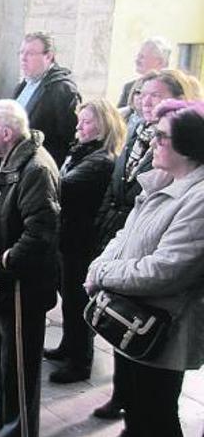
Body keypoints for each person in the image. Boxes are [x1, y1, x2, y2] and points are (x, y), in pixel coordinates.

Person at [85, 100, 204, 437]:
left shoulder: (198, 197)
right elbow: (125, 233)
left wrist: (103, 275)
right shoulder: (162, 179)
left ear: (188, 146)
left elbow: (167, 270)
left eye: (162, 138)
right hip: (136, 315)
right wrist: (100, 264)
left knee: (156, 417)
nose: (152, 142)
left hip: (165, 329)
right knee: (138, 412)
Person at [0, 100, 60, 437]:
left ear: (6, 133)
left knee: (19, 363)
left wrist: (4, 262)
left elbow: (40, 233)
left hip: (21, 284)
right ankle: (0, 411)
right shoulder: (12, 158)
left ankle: (19, 427)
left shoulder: (35, 169)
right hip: (2, 280)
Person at [44, 99, 125, 384]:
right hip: (71, 237)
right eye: (80, 120)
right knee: (69, 298)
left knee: (79, 301)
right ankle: (69, 346)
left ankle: (80, 362)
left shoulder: (100, 160)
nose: (79, 125)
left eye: (87, 121)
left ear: (103, 126)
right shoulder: (84, 151)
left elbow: (65, 187)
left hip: (82, 240)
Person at [13, 31, 81, 166]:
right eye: (21, 52)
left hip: (39, 166)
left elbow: (68, 139)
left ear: (48, 56)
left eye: (30, 53)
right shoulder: (23, 85)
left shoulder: (63, 90)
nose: (23, 58)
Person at [117, 37, 171, 108]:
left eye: (142, 57)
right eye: (138, 56)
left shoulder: (171, 87)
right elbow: (118, 117)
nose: (137, 60)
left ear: (159, 61)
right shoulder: (129, 88)